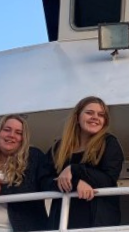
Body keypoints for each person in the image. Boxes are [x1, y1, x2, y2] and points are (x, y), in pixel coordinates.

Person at [46, 96, 124, 228]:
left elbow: (108, 180)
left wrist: (74, 169)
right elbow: (44, 180)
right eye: (89, 113)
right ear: (77, 117)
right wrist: (75, 183)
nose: (95, 117)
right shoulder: (59, 147)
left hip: (97, 223)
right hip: (63, 221)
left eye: (101, 115)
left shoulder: (109, 143)